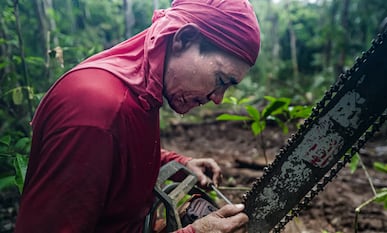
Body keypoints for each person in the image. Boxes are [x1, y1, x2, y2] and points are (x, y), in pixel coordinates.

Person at [14, 0, 260, 232]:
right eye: (220, 80)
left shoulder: (137, 90)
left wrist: (178, 163)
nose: (218, 98)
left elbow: (117, 153)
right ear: (185, 39)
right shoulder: (95, 110)